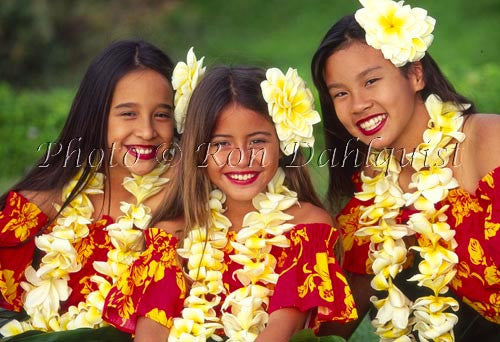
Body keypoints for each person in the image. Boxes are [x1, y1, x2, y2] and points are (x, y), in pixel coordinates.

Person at [102, 58, 358, 341]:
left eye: (258, 141)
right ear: (198, 151)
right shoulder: (172, 233)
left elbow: (282, 330)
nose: (242, 158)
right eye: (221, 144)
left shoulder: (307, 228)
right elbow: (151, 331)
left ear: (283, 143)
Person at [311, 0, 500, 340]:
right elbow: (337, 320)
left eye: (370, 81)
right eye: (340, 93)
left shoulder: (487, 142)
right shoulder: (374, 186)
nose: (357, 105)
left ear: (415, 74)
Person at [0, 39, 176, 339]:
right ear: (96, 116)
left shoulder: (190, 198)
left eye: (162, 114)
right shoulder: (39, 206)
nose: (147, 131)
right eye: (128, 113)